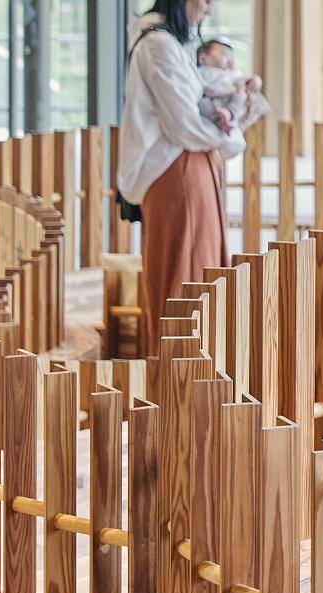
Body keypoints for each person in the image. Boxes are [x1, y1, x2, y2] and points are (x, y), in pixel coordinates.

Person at [117, 0, 244, 355]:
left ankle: (192, 372)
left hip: (184, 170)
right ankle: (179, 376)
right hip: (177, 173)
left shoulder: (167, 42)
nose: (207, 8)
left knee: (193, 272)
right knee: (184, 277)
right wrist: (228, 137)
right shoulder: (158, 44)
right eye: (204, 0)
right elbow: (183, 125)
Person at [194, 38, 269, 136]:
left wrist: (255, 80)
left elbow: (244, 80)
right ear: (202, 58)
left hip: (230, 102)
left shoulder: (231, 74)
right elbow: (206, 89)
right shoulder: (201, 72)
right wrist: (232, 89)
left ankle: (229, 114)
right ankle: (222, 123)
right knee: (203, 104)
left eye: (231, 57)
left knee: (241, 95)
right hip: (212, 104)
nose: (230, 60)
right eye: (224, 54)